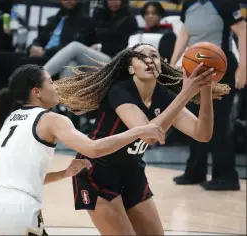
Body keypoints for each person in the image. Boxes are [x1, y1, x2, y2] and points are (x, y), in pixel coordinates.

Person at [0, 64, 166, 235]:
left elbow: (21, 178)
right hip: (17, 210)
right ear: (36, 92)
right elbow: (92, 149)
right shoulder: (53, 119)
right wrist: (138, 131)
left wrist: (64, 173)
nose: (56, 86)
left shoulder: (10, 118)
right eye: (50, 82)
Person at [54, 43, 230, 235]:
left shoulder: (165, 96)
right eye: (141, 57)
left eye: (154, 56)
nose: (149, 60)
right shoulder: (120, 91)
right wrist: (187, 93)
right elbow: (148, 135)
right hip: (96, 172)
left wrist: (205, 89)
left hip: (132, 174)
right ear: (130, 68)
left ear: (161, 65)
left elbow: (202, 134)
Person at [170, 0, 246, 190]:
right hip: (194, 69)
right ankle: (195, 171)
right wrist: (172, 63)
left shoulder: (225, 3)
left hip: (222, 69)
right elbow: (185, 34)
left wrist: (244, 67)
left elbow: (243, 31)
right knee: (195, 119)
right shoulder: (189, 4)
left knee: (218, 121)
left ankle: (227, 176)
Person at [43, 0, 138, 79]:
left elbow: (125, 46)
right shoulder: (102, 15)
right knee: (72, 64)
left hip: (114, 61)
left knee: (75, 46)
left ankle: (40, 76)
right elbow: (93, 37)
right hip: (96, 58)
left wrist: (100, 46)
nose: (113, 2)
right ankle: (64, 101)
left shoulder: (129, 20)